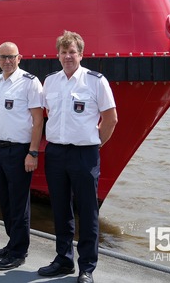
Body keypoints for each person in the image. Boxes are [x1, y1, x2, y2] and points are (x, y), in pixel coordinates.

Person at [38, 31, 117, 283]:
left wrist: (95, 144)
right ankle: (63, 259)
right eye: (64, 52)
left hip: (84, 153)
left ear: (81, 54)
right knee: (60, 208)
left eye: (72, 52)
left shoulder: (96, 81)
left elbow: (111, 118)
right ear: (58, 55)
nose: (68, 56)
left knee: (87, 210)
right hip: (56, 152)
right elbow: (46, 113)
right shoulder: (50, 81)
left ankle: (87, 267)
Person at [0, 42, 44, 271]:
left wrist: (33, 152)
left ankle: (19, 251)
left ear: (19, 57)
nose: (7, 61)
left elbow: (38, 120)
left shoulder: (30, 82)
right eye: (3, 57)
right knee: (6, 200)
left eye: (11, 57)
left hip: (20, 150)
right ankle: (12, 242)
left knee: (19, 203)